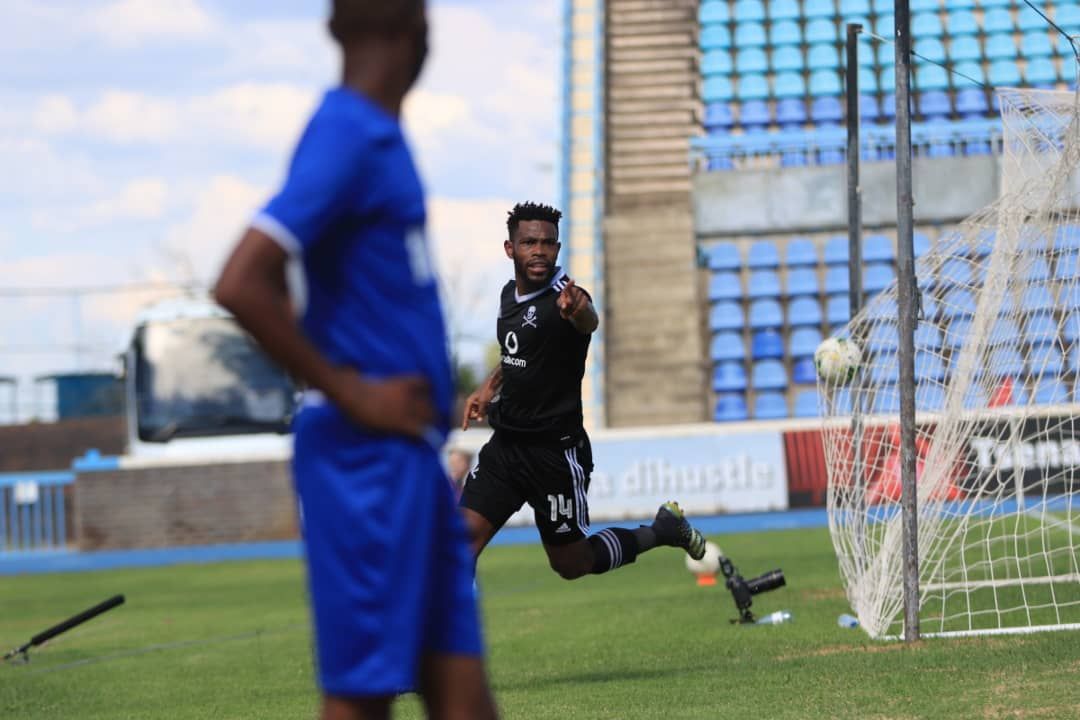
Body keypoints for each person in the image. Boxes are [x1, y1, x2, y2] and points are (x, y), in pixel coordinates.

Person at [213, 2, 497, 719]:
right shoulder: (346, 132)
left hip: (411, 463)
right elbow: (242, 281)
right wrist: (353, 392)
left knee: (464, 698)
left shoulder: (379, 135)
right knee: (363, 700)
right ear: (418, 35)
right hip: (365, 461)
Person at [459, 202, 707, 581]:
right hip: (506, 446)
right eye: (528, 242)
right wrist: (486, 387)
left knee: (571, 564)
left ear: (558, 249)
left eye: (547, 243)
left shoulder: (568, 298)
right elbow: (517, 354)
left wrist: (578, 310)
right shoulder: (509, 296)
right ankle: (450, 640)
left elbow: (588, 319)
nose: (539, 250)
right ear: (510, 249)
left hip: (553, 455)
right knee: (460, 544)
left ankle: (661, 531)